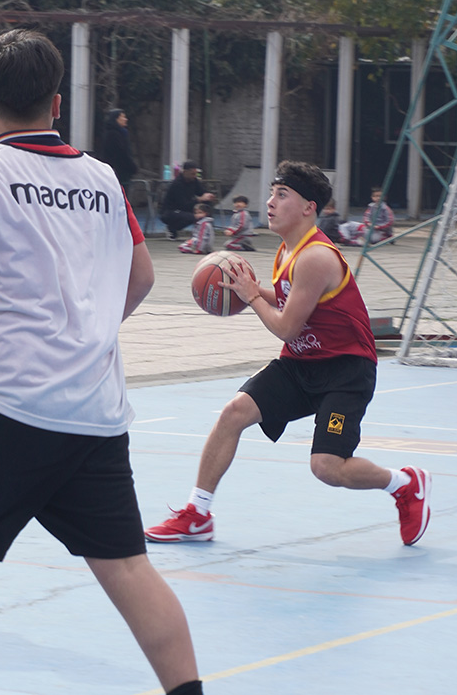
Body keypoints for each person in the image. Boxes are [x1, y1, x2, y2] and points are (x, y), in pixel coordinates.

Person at [0, 30, 203, 695]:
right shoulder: (102, 178)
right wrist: (89, 332)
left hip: (5, 402)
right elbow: (142, 276)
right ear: (57, 103)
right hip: (95, 411)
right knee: (127, 566)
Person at [144, 160, 431, 549]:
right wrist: (246, 289)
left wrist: (250, 297)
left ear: (309, 207)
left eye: (282, 195)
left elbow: (285, 327)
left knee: (326, 467)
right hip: (301, 364)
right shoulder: (287, 251)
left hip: (345, 371)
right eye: (271, 194)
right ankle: (197, 515)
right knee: (233, 413)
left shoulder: (316, 257)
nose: (270, 202)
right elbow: (287, 300)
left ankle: (404, 483)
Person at [160, 161, 216, 239]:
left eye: (195, 174)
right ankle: (172, 228)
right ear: (185, 172)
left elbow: (201, 192)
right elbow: (183, 205)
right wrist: (199, 200)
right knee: (194, 216)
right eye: (192, 174)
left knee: (206, 205)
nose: (194, 176)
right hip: (171, 211)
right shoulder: (177, 184)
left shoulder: (194, 181)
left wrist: (208, 195)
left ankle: (206, 229)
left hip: (185, 207)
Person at [101, 108, 138, 191]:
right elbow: (121, 154)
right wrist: (132, 167)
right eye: (123, 117)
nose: (125, 119)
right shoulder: (113, 135)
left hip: (121, 171)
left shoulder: (120, 133)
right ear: (116, 119)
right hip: (118, 172)